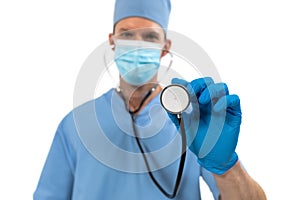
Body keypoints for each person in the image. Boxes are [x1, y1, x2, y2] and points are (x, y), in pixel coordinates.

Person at [33, 0, 267, 199]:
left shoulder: (191, 121)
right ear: (112, 41)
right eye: (126, 35)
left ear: (165, 47)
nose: (136, 45)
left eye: (149, 36)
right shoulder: (75, 125)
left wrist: (225, 167)